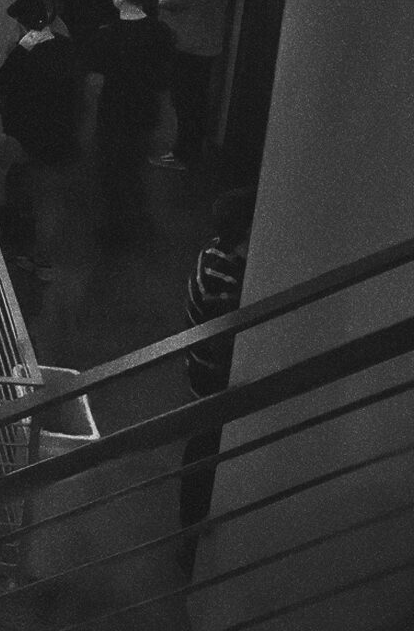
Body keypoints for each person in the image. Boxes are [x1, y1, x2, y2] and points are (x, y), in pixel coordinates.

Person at [179, 186, 257, 571]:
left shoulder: (214, 254)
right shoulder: (227, 270)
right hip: (212, 375)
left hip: (200, 366)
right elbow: (228, 343)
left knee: (202, 444)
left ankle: (187, 537)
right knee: (206, 448)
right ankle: (190, 539)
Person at [91, 0, 175, 231]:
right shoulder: (161, 31)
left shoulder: (107, 32)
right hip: (144, 105)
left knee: (110, 165)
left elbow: (98, 70)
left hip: (114, 104)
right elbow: (165, 75)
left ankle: (113, 219)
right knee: (134, 163)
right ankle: (134, 217)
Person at [154, 0, 234, 170]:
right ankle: (189, 151)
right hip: (207, 47)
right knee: (196, 102)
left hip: (191, 48)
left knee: (185, 102)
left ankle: (183, 154)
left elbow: (166, 1)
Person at [0, 0, 83, 165]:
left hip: (29, 134)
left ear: (22, 25)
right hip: (62, 129)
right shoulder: (66, 45)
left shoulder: (24, 54)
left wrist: (20, 50)